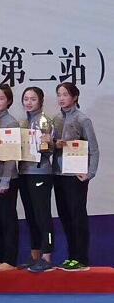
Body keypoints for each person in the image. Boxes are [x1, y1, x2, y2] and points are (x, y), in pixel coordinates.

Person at [52, 82, 99, 272]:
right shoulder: (55, 119)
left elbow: (93, 149)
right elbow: (51, 145)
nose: (61, 98)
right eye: (59, 94)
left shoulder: (82, 119)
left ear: (75, 97)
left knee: (77, 216)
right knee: (65, 216)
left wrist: (90, 173)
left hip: (76, 176)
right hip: (58, 174)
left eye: (65, 94)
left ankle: (81, 258)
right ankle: (71, 256)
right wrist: (54, 144)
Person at [18, 86, 56, 273]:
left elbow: (50, 150)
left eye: (33, 99)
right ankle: (35, 256)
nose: (29, 102)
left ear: (41, 101)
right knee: (31, 216)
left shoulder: (45, 121)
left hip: (40, 172)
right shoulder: (23, 122)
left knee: (42, 215)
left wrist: (47, 144)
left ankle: (47, 256)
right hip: (24, 172)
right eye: (26, 99)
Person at [0, 84, 20, 271]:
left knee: (8, 220)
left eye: (1, 98)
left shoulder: (11, 122)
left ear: (9, 101)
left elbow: (11, 155)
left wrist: (5, 181)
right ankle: (0, 258)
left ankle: (10, 260)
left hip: (6, 179)